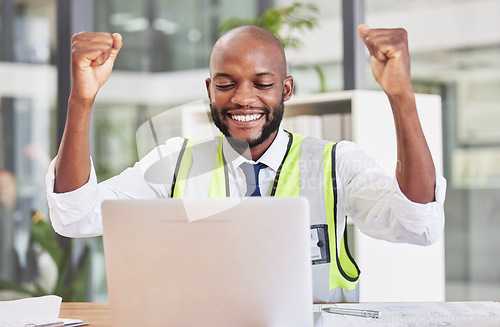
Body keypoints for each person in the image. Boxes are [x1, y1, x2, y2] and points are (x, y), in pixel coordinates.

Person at [46, 24, 446, 302]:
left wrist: (400, 96)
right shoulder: (175, 161)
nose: (242, 97)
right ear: (209, 89)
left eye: (262, 83)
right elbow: (75, 216)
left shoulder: (335, 163)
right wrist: (81, 101)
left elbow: (418, 224)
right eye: (226, 83)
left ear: (286, 88)